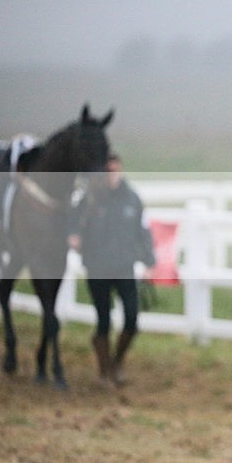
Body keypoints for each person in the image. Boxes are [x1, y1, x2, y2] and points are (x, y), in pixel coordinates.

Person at [69, 154, 155, 387]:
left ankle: (116, 363)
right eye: (108, 170)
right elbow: (72, 221)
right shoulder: (89, 199)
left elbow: (143, 230)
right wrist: (74, 235)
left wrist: (149, 261)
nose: (112, 175)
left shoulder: (132, 199)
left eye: (115, 170)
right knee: (103, 320)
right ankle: (104, 370)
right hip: (97, 267)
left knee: (131, 319)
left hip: (124, 267)